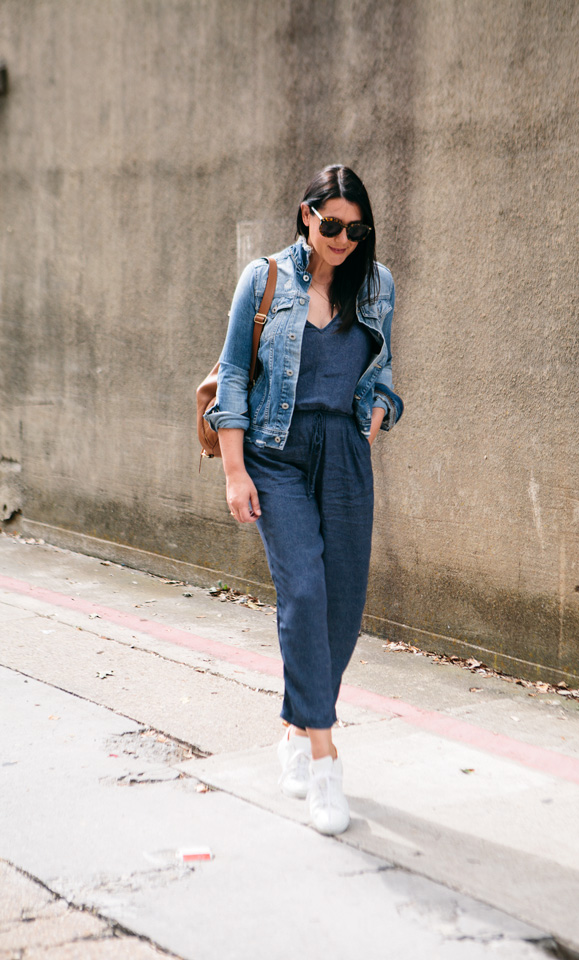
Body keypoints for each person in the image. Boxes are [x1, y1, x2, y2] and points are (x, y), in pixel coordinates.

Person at [205, 164, 403, 835]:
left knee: (343, 608)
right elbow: (233, 372)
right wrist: (236, 471)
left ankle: (292, 727)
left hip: (345, 455)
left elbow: (382, 373)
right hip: (276, 453)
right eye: (332, 224)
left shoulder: (376, 286)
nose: (344, 238)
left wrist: (376, 416)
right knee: (306, 594)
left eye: (357, 228)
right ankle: (324, 759)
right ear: (306, 214)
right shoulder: (264, 280)